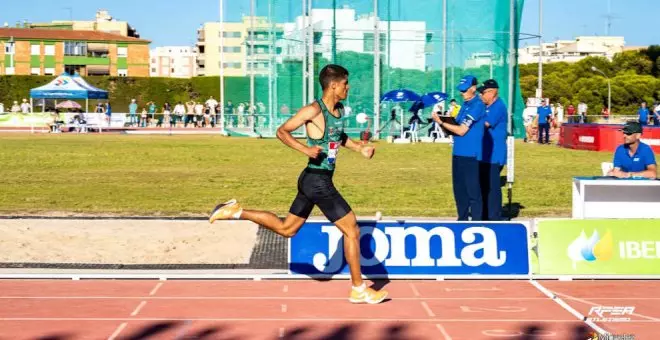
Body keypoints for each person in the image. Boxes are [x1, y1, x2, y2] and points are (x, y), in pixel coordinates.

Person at [209, 64, 388, 304]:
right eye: (345, 84)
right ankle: (359, 288)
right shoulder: (313, 110)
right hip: (317, 181)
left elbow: (338, 136)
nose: (348, 88)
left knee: (287, 229)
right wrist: (305, 148)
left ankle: (235, 211)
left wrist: (359, 148)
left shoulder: (340, 109)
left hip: (313, 180)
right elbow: (282, 131)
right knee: (352, 230)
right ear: (333, 85)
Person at [432, 75, 486, 221]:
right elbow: (454, 127)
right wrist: (443, 121)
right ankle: (461, 219)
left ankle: (476, 221)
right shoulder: (464, 106)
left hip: (471, 154)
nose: (462, 93)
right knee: (459, 190)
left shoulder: (477, 106)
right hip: (458, 152)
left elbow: (462, 130)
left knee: (473, 191)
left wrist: (441, 123)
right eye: (461, 90)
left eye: (465, 90)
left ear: (473, 88)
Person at [477, 79, 507, 221]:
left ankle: (494, 216)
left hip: (495, 154)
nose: (480, 96)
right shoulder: (487, 107)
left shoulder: (498, 107)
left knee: (493, 186)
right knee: (484, 184)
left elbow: (486, 124)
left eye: (482, 93)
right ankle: (485, 214)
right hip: (485, 153)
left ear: (491, 92)